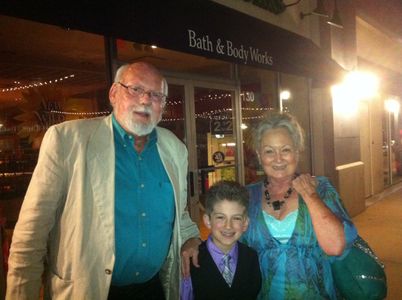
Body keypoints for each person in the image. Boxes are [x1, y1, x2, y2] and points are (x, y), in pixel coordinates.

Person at [6, 62, 201, 300]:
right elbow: (31, 235)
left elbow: (177, 213)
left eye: (156, 95)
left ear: (163, 106)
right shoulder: (68, 140)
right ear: (114, 94)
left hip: (152, 289)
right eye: (136, 89)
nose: (145, 100)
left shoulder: (175, 149)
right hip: (88, 291)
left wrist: (192, 237)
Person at [241, 111, 358, 299]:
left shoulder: (320, 188)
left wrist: (310, 196)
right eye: (269, 151)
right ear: (259, 155)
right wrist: (194, 243)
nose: (278, 159)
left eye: (285, 150)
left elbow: (335, 246)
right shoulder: (247, 195)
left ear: (296, 151)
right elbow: (226, 238)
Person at [181, 180, 261, 300]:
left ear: (245, 223)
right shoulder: (190, 263)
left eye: (236, 218)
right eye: (220, 217)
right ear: (208, 221)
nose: (228, 226)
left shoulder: (251, 257)